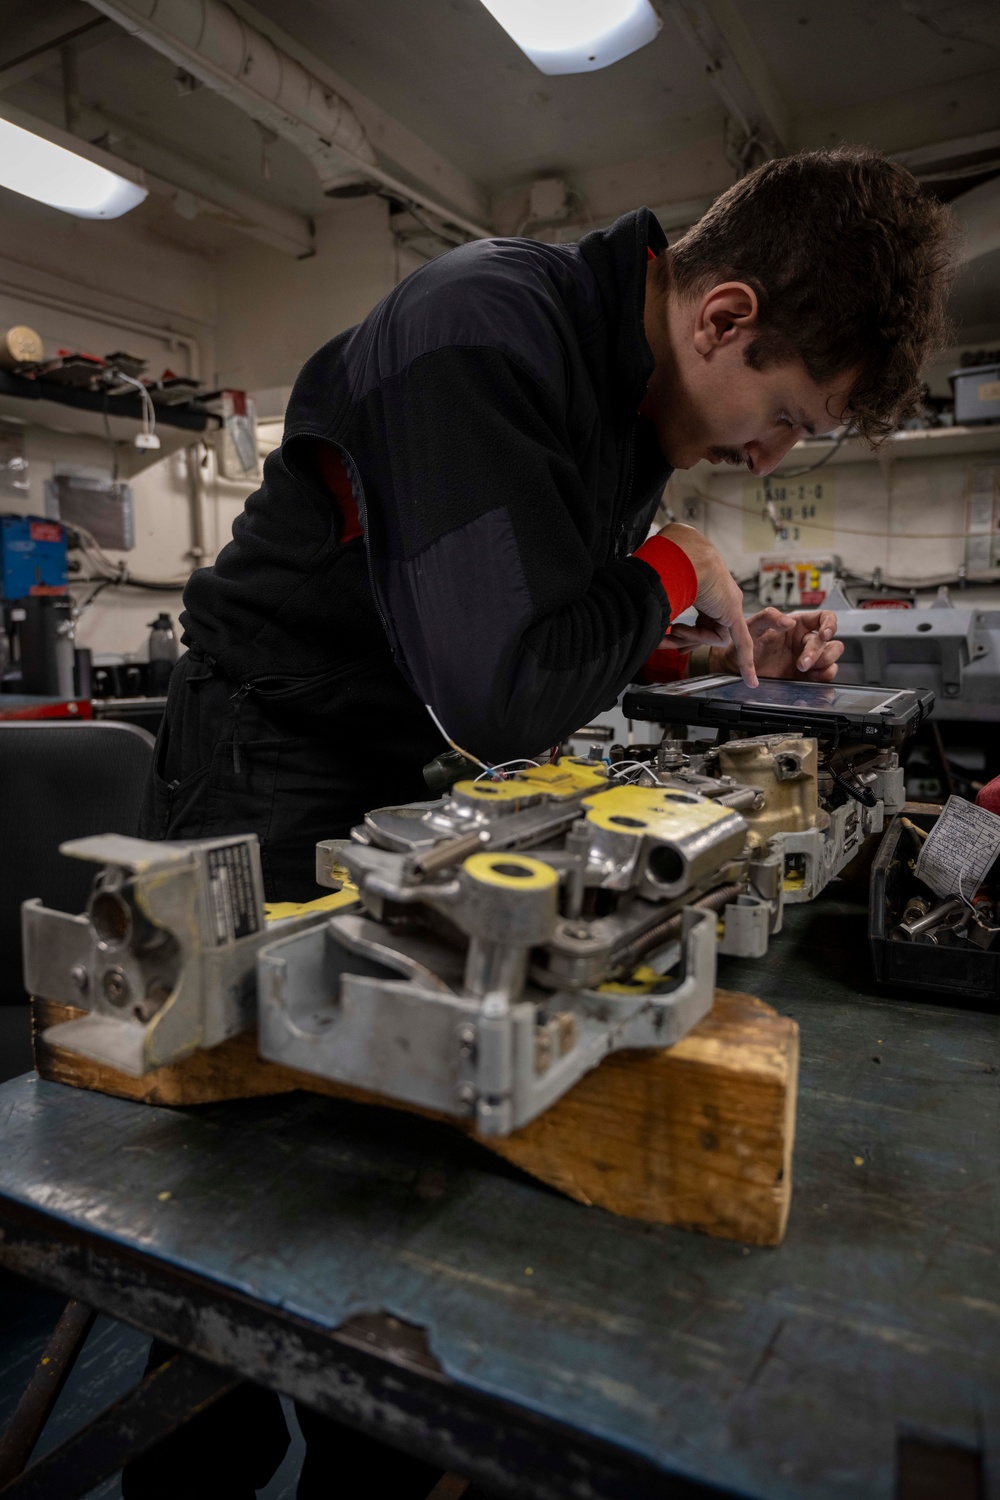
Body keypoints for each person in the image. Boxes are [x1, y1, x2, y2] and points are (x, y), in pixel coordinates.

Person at [126, 146, 953, 1497]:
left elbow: (550, 638)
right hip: (265, 759)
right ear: (723, 317)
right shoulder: (483, 329)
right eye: (791, 414)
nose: (771, 453)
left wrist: (717, 662)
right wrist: (675, 563)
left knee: (390, 1139)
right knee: (237, 1151)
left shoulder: (621, 404)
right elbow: (504, 687)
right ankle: (188, 1469)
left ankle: (372, 1447)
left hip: (398, 762)